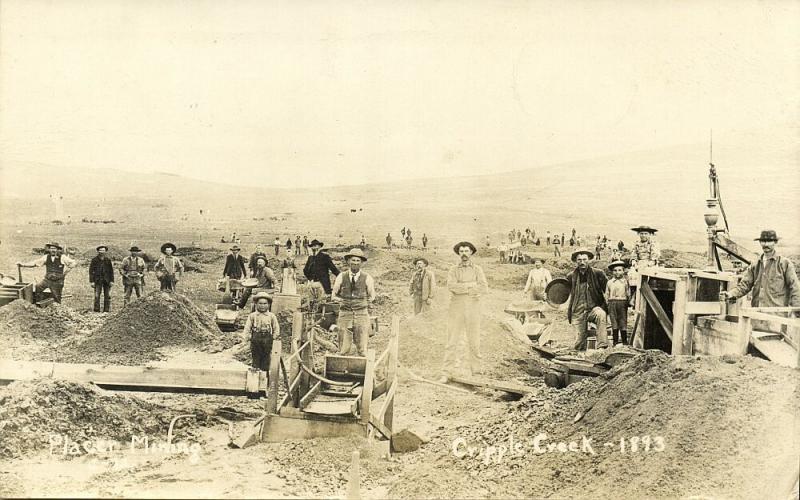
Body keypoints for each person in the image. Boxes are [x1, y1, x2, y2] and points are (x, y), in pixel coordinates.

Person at [720, 230, 800, 318]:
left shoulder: (784, 264)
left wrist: (796, 312)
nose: (766, 244)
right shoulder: (755, 265)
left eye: (769, 241)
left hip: (776, 318)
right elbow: (744, 285)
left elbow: (795, 288)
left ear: (775, 242)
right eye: (763, 241)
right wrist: (731, 294)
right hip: (756, 317)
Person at [440, 241, 488, 382]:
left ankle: (477, 372)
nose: (464, 254)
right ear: (458, 253)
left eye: (466, 251)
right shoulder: (453, 269)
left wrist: (465, 288)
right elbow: (451, 286)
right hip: (456, 308)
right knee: (452, 341)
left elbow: (484, 287)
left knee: (474, 341)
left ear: (471, 252)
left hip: (473, 308)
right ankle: (446, 372)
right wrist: (471, 287)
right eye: (461, 251)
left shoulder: (477, 269)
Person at [332, 248, 376, 356]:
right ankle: (342, 364)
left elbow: (372, 296)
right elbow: (333, 296)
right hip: (345, 313)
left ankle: (363, 365)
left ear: (361, 263)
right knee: (343, 345)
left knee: (362, 344)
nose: (355, 263)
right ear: (348, 262)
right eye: (353, 260)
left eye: (358, 261)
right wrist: (342, 300)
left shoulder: (367, 278)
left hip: (361, 313)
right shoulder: (341, 276)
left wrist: (363, 302)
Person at [566, 248, 609, 351]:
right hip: (578, 311)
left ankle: (601, 347)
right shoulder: (571, 276)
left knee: (601, 314)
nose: (582, 262)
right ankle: (581, 354)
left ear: (589, 259)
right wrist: (548, 296)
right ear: (575, 261)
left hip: (593, 309)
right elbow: (561, 293)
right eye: (579, 260)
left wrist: (604, 306)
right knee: (579, 344)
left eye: (585, 259)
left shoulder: (598, 273)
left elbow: (608, 289)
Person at [243, 291, 280, 373]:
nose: (262, 306)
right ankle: (255, 374)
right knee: (256, 355)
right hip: (256, 337)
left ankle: (265, 374)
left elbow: (276, 328)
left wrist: (273, 338)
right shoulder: (252, 316)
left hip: (267, 338)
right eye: (260, 303)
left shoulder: (271, 316)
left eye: (265, 303)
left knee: (266, 356)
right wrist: (247, 337)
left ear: (269, 304)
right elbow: (247, 327)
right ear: (256, 304)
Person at [605, 260, 630, 345]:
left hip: (622, 303)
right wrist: (607, 304)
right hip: (612, 303)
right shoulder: (610, 282)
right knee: (614, 321)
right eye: (615, 270)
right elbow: (607, 294)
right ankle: (615, 342)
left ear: (623, 271)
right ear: (612, 272)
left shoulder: (625, 282)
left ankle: (624, 342)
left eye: (619, 270)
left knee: (622, 321)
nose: (617, 272)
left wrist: (628, 302)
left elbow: (628, 293)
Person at [89, 245, 114, 312]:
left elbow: (111, 271)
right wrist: (92, 281)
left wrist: (112, 280)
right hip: (97, 280)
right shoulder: (94, 260)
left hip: (107, 280)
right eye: (100, 250)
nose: (102, 252)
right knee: (97, 295)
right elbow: (91, 271)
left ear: (105, 251)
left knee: (107, 295)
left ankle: (106, 310)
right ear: (98, 251)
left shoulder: (108, 260)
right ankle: (96, 310)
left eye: (103, 250)